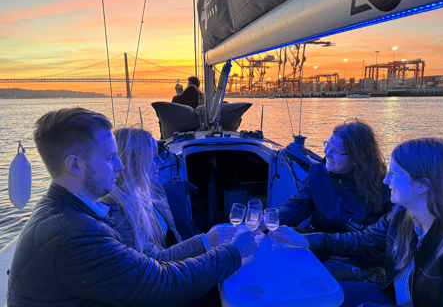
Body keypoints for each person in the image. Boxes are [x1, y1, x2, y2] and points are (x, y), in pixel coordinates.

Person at [7, 107, 259, 307]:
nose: (119, 166)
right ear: (74, 166)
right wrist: (234, 252)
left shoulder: (65, 210)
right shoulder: (75, 233)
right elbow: (161, 284)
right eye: (109, 157)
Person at [271, 137, 443, 307]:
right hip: (389, 295)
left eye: (395, 173)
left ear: (422, 186)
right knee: (317, 296)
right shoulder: (403, 214)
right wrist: (307, 240)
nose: (386, 180)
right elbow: (363, 240)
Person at [275, 119, 392, 281]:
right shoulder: (317, 173)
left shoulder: (382, 187)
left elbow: (372, 242)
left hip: (357, 258)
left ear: (357, 157)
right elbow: (298, 205)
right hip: (318, 245)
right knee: (276, 260)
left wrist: (315, 241)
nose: (327, 154)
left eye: (336, 151)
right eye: (327, 145)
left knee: (306, 277)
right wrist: (270, 220)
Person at [100, 127, 235, 261]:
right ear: (133, 163)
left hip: (176, 266)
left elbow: (172, 240)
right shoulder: (117, 212)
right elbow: (155, 261)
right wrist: (206, 241)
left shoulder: (150, 190)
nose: (160, 161)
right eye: (152, 157)